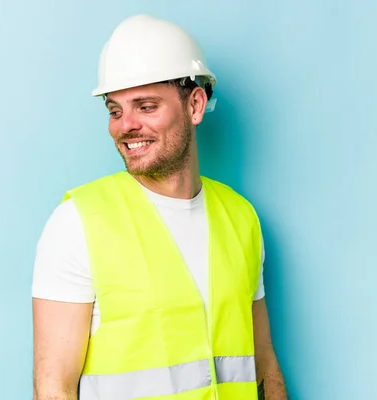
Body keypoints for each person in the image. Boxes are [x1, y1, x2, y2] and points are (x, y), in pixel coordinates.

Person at [31, 14, 287, 400]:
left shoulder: (241, 218)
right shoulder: (78, 222)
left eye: (146, 106)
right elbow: (53, 387)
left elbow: (263, 365)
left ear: (195, 105)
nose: (124, 126)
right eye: (114, 110)